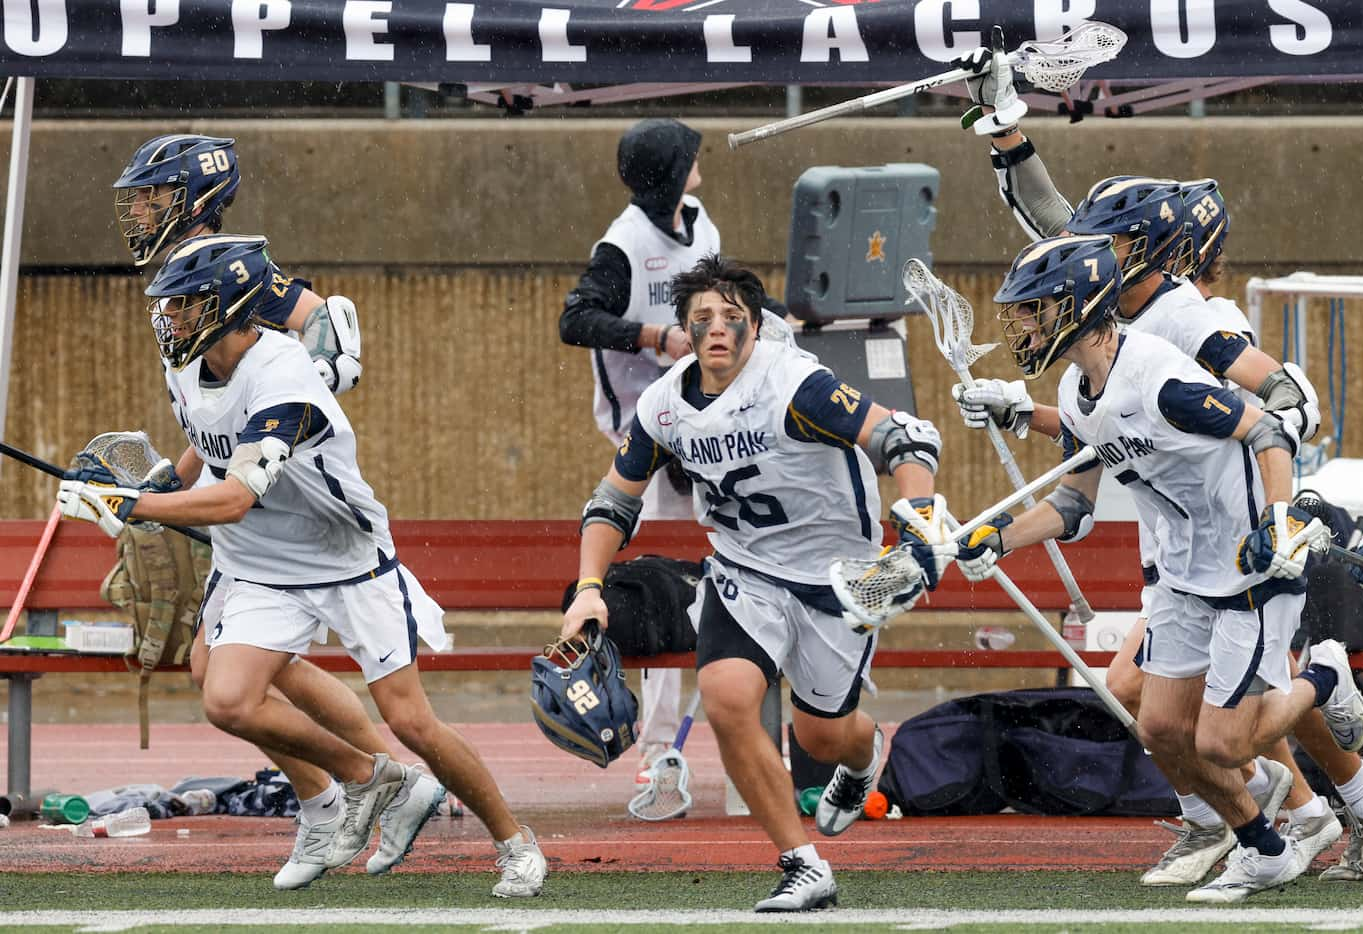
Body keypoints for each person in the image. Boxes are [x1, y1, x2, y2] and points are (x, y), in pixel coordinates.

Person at [949, 59, 1363, 882]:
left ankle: (1306, 813)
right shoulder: (1101, 319)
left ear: (1151, 249)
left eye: (1113, 241)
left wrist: (1279, 484)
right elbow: (1060, 247)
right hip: (1178, 528)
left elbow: (1282, 398)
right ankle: (1304, 814)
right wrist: (1005, 130)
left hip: (1236, 527)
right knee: (1178, 712)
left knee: (1229, 713)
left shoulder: (1183, 317)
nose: (1090, 249)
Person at [56, 234, 547, 898]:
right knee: (226, 699)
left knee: (410, 720)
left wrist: (136, 505)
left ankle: (514, 840)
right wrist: (165, 484)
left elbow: (234, 499)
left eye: (184, 305)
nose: (168, 319)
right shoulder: (186, 363)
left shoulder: (284, 377)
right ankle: (366, 780)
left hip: (343, 555)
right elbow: (208, 442)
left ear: (227, 306)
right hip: (259, 560)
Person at [559, 254, 944, 911]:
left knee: (823, 736)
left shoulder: (796, 386)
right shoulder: (664, 406)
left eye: (732, 318)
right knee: (726, 693)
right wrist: (590, 585)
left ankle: (863, 751)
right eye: (700, 318)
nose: (715, 329)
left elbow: (905, 438)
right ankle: (802, 863)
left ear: (757, 328)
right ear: (681, 330)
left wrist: (918, 525)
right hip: (745, 568)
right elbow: (612, 503)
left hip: (833, 574)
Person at [113, 134, 395, 889]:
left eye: (151, 195)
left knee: (230, 679)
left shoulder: (228, 260)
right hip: (242, 494)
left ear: (191, 196)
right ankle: (338, 793)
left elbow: (326, 321)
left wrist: (313, 381)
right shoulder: (180, 274)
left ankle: (367, 784)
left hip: (279, 502)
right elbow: (208, 419)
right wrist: (159, 488)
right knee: (228, 668)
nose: (137, 211)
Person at [559, 118, 804, 791]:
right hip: (653, 431)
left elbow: (721, 298)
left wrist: (778, 314)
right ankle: (658, 751)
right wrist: (654, 336)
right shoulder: (623, 245)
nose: (701, 160)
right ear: (669, 168)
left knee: (741, 564)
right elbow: (575, 319)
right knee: (671, 592)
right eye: (689, 154)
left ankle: (742, 720)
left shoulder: (698, 220)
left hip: (713, 419)